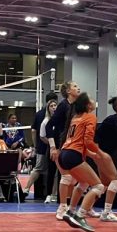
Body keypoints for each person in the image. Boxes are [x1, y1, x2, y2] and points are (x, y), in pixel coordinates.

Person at [56, 93, 107, 232]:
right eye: (90, 99)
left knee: (83, 183)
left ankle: (70, 211)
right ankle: (80, 215)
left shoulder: (75, 118)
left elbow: (77, 141)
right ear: (87, 105)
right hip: (72, 155)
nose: (93, 100)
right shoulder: (90, 116)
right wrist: (100, 153)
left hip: (64, 154)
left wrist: (91, 154)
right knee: (98, 186)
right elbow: (88, 141)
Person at [47, 81, 82, 219]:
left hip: (73, 145)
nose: (78, 88)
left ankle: (71, 208)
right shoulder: (63, 105)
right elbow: (49, 126)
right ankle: (61, 208)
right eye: (74, 86)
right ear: (68, 91)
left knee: (75, 179)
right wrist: (53, 147)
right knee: (67, 177)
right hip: (61, 145)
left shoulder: (78, 106)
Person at [22, 92, 58, 199]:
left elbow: (33, 131)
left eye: (54, 105)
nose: (54, 107)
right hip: (48, 147)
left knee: (40, 169)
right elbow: (35, 131)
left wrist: (36, 145)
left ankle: (27, 188)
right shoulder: (44, 117)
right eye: (52, 105)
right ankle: (53, 194)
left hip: (43, 147)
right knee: (53, 171)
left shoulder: (39, 114)